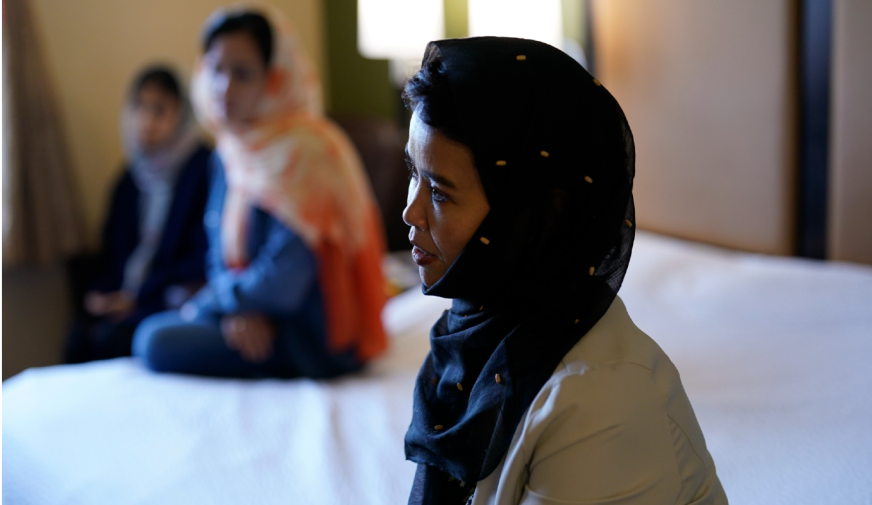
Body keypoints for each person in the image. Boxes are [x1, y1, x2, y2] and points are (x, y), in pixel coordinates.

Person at [402, 38, 727, 504]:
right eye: (415, 172)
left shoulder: (601, 399)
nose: (409, 214)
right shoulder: (476, 329)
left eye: (440, 193)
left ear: (532, 217)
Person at [132, 6, 388, 379]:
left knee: (153, 340)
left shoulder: (309, 151)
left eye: (243, 74)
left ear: (274, 77)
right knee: (150, 333)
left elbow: (286, 279)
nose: (225, 87)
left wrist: (214, 305)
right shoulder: (232, 148)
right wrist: (235, 311)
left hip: (313, 333)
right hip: (256, 314)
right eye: (217, 70)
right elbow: (217, 250)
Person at [65, 66, 211, 364]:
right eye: (139, 107)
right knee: (78, 340)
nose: (146, 121)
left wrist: (139, 296)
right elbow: (110, 253)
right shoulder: (130, 178)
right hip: (126, 297)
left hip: (166, 298)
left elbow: (201, 256)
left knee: (112, 340)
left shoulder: (202, 169)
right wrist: (103, 293)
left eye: (159, 110)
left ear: (180, 114)